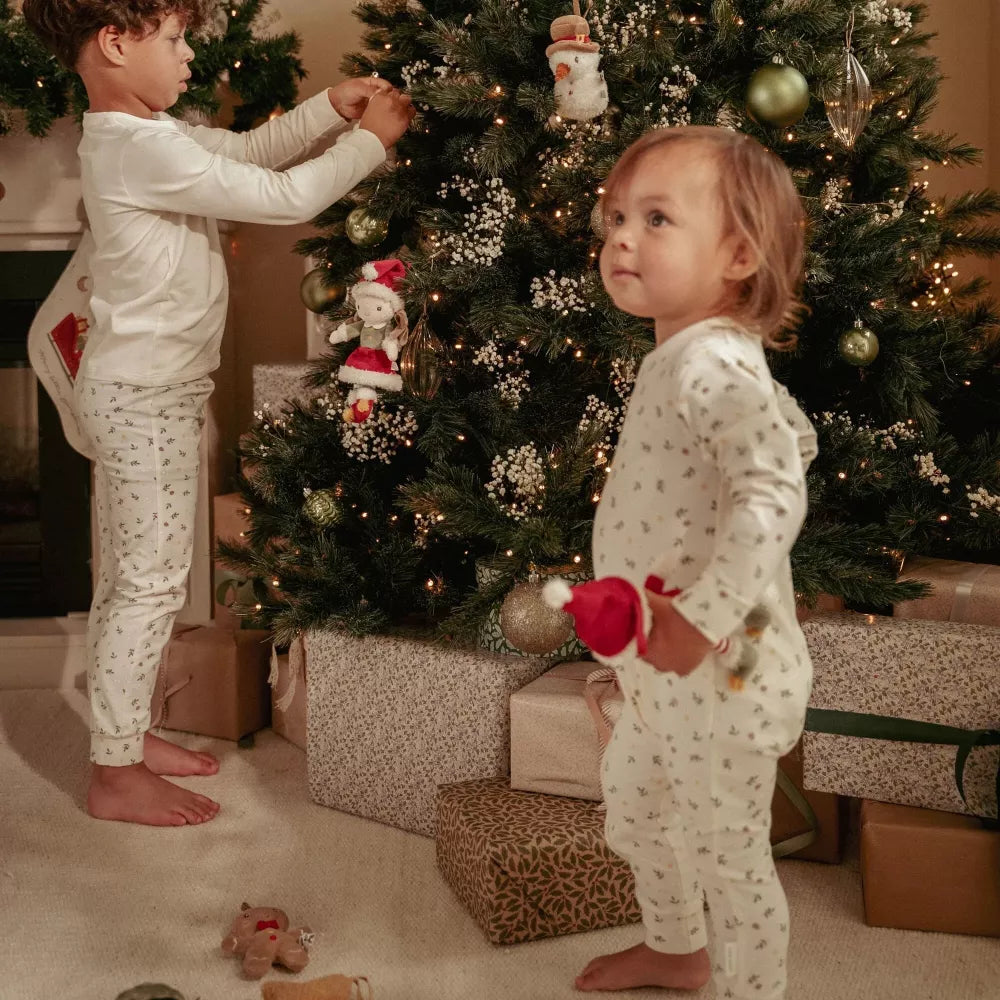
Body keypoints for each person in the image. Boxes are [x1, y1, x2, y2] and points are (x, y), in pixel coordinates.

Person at [20, 0, 415, 827]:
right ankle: (114, 773)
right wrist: (371, 140)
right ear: (115, 44)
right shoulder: (137, 149)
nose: (190, 55)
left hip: (150, 393)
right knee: (148, 584)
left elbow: (241, 152)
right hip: (144, 398)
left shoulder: (140, 138)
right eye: (173, 38)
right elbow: (279, 195)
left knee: (132, 580)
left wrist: (323, 110)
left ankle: (123, 735)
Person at [577, 125, 818, 1000]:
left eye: (656, 218)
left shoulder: (708, 364)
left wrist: (706, 613)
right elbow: (791, 438)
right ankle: (678, 949)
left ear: (739, 254)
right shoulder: (696, 354)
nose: (621, 239)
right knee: (637, 810)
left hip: (720, 674)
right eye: (614, 219)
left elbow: (776, 490)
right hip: (662, 670)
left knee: (731, 859)